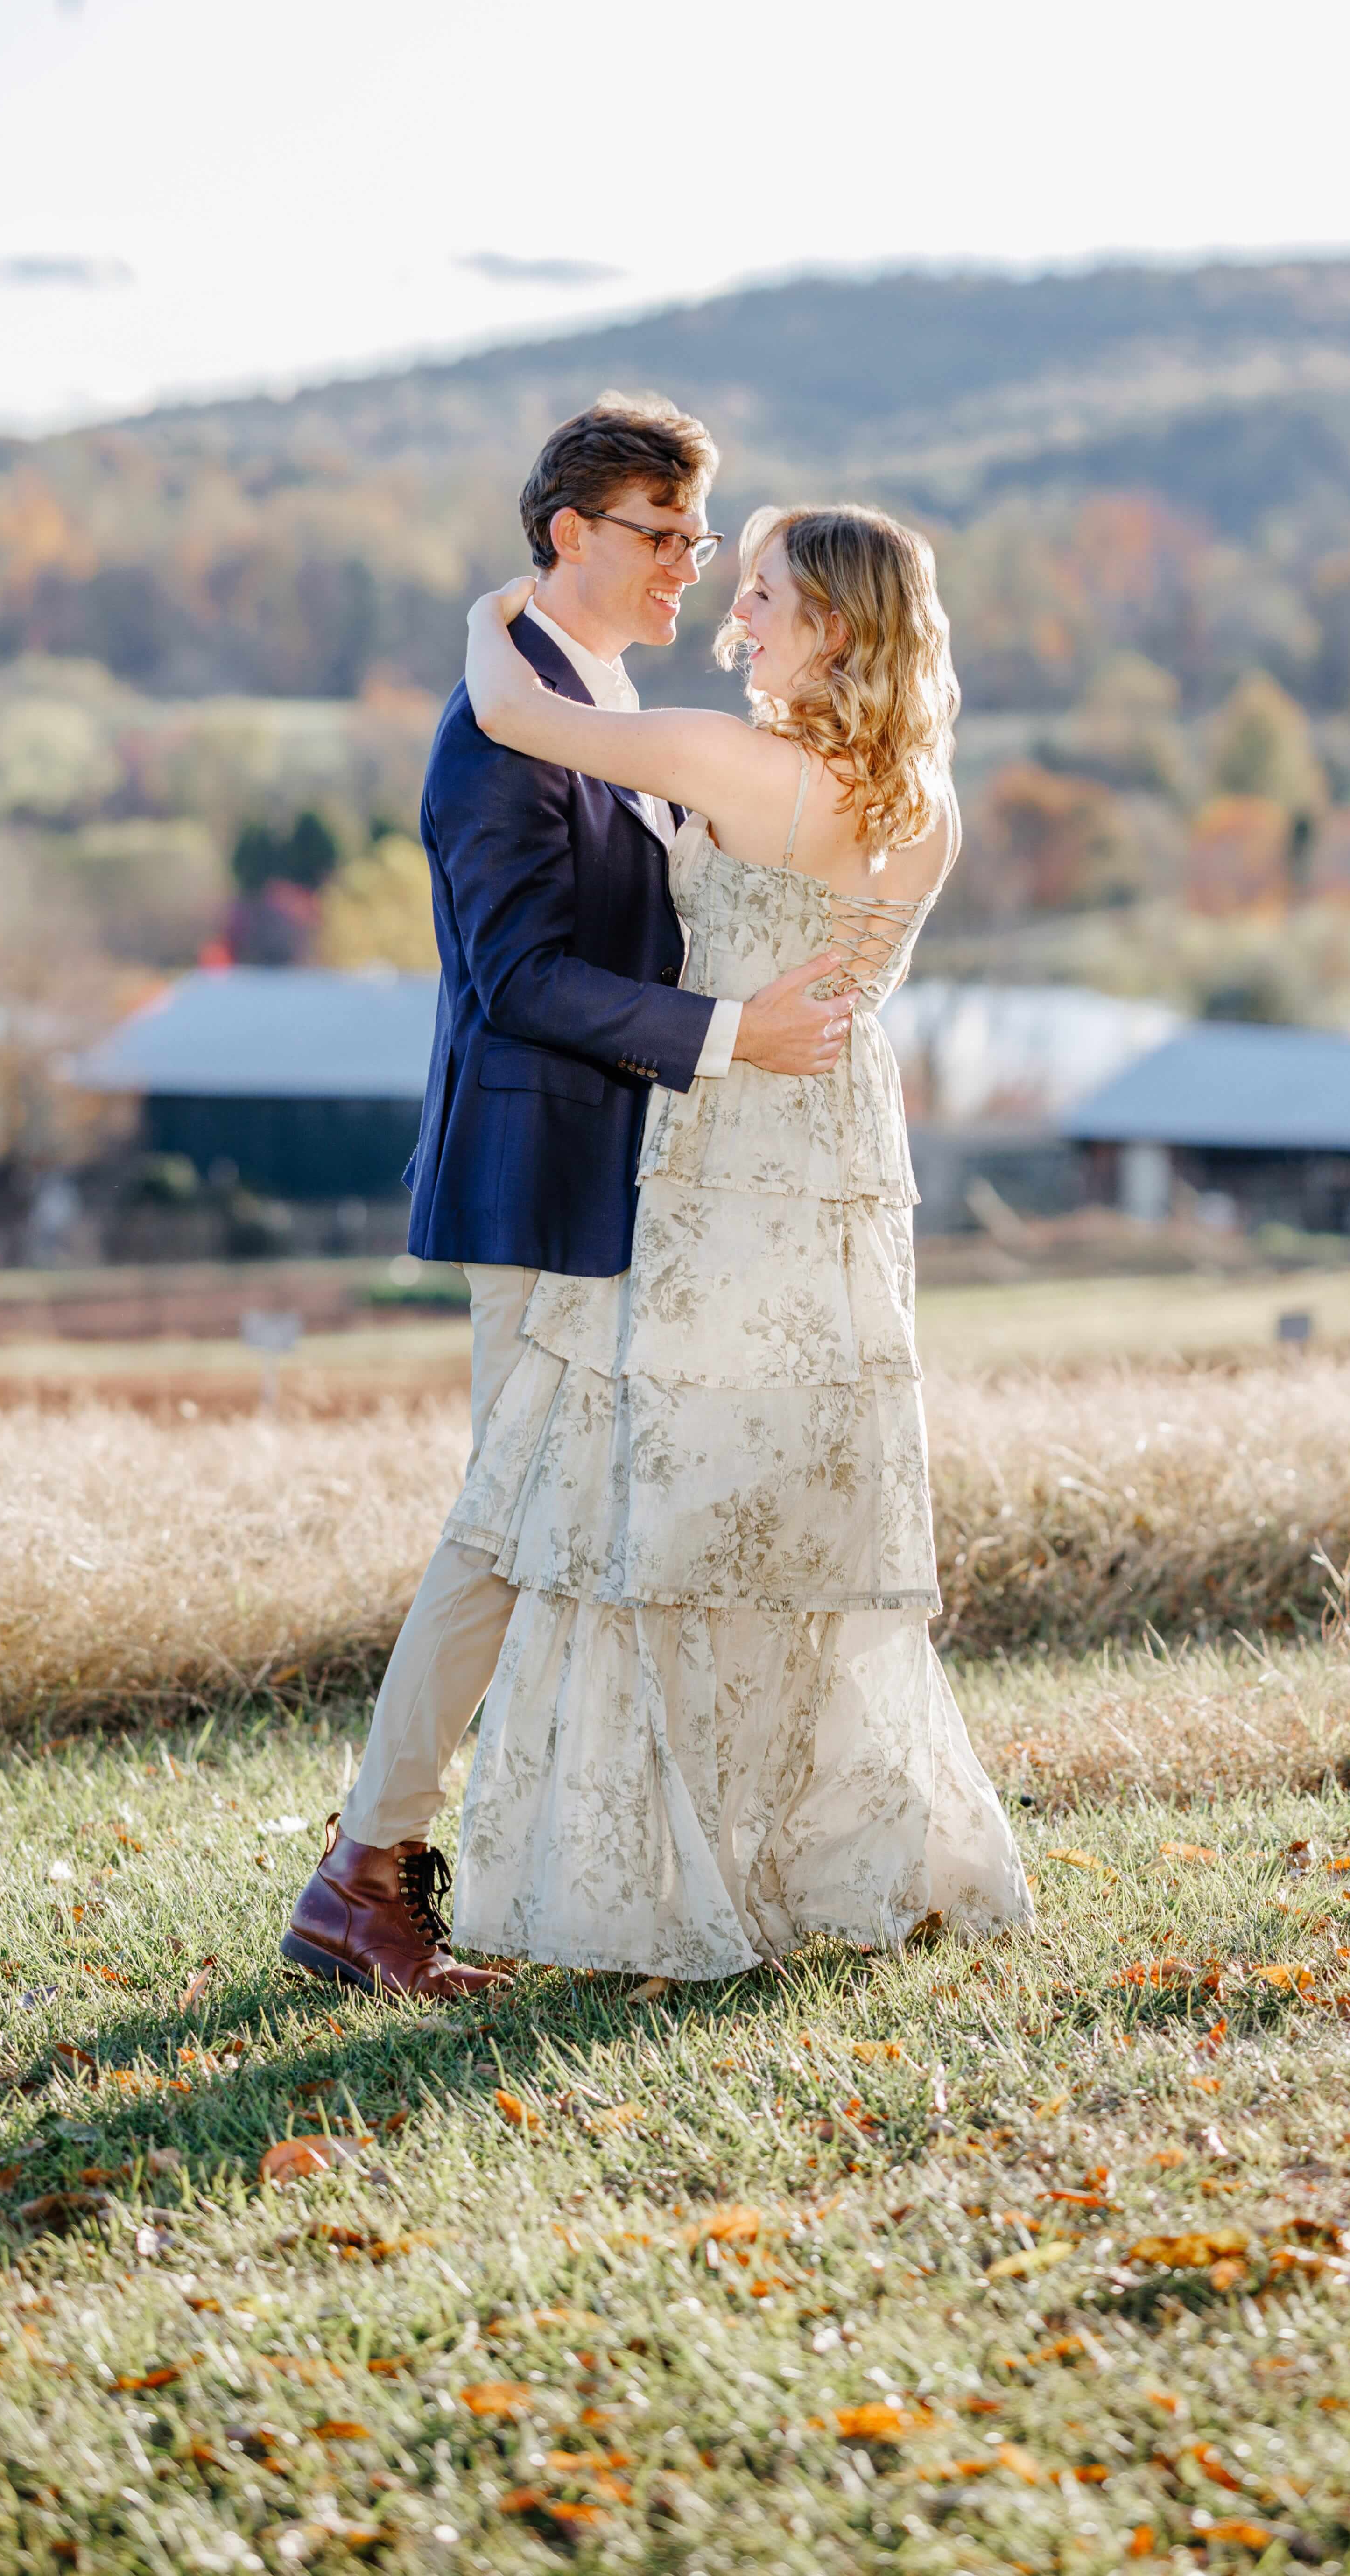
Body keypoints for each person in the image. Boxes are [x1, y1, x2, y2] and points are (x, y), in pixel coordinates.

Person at [282, 397, 852, 2002]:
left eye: (697, 537)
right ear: (568, 537)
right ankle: (365, 1875)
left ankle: (550, 1855)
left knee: (561, 1526)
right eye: (661, 534)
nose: (688, 563)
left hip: (634, 1176)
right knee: (505, 1533)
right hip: (536, 1179)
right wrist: (735, 1039)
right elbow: (520, 979)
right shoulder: (496, 733)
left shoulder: (582, 691)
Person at [436, 498, 1033, 1982]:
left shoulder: (737, 764)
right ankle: (807, 1853)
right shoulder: (931, 806)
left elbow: (514, 712)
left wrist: (496, 609)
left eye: (762, 594)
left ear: (831, 623)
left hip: (721, 1157)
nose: (735, 617)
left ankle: (676, 1869)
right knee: (792, 1503)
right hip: (837, 1160)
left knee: (668, 1498)